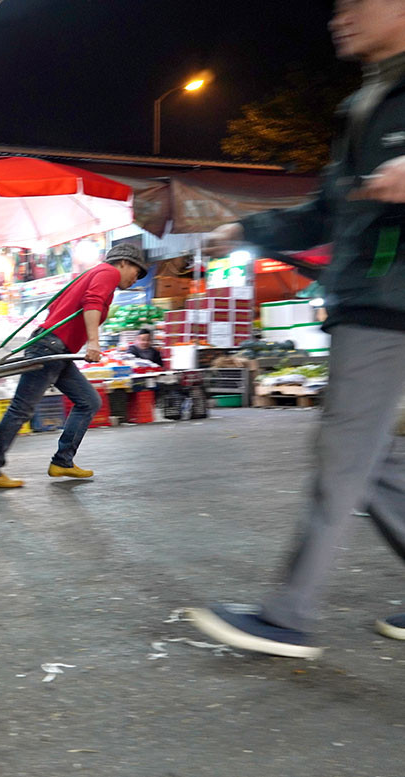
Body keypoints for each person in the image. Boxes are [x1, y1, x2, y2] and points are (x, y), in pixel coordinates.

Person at [189, 0, 405, 658]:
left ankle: (287, 615)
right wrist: (247, 228)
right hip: (366, 296)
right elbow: (327, 211)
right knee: (371, 458)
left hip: (386, 301)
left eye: (357, 3)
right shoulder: (362, 104)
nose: (340, 16)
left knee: (343, 456)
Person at [0, 244, 149, 488]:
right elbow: (92, 303)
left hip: (57, 350)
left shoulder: (93, 275)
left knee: (89, 402)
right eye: (136, 271)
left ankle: (63, 462)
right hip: (51, 347)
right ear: (123, 262)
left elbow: (58, 308)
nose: (136, 278)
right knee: (21, 409)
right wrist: (93, 342)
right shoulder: (108, 273)